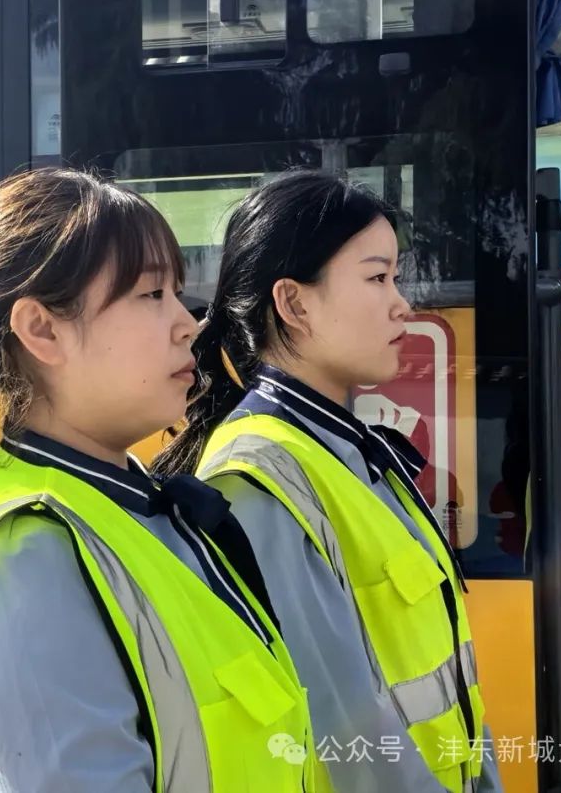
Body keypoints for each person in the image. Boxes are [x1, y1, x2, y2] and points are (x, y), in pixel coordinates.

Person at [0, 168, 317, 792]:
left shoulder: (141, 507)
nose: (188, 323)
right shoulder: (21, 560)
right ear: (42, 330)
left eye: (175, 292)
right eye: (151, 294)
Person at [155, 170, 502, 793]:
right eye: (377, 278)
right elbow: (350, 744)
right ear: (294, 304)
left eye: (395, 277)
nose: (402, 304)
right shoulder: (256, 479)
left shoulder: (350, 449)